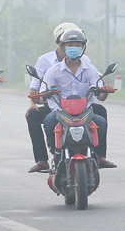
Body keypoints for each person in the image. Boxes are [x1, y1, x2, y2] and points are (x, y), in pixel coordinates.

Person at [40, 29, 116, 169]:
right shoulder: (53, 71)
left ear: (83, 48)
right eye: (70, 45)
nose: (74, 48)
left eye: (77, 45)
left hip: (85, 112)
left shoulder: (90, 70)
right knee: (49, 121)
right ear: (63, 47)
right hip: (60, 111)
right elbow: (42, 94)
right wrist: (47, 93)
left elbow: (101, 96)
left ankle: (96, 155)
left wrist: (105, 91)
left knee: (101, 122)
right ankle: (56, 153)